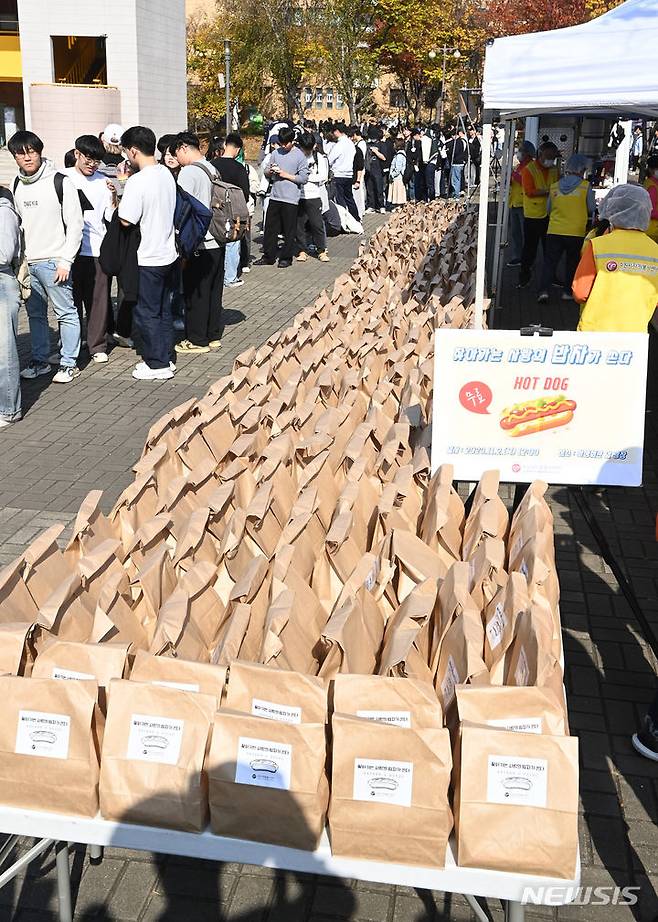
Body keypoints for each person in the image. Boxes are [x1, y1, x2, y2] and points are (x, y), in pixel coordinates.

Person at [9, 130, 83, 384]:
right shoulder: (16, 184)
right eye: (21, 153)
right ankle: (40, 361)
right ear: (15, 157)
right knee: (36, 316)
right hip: (28, 264)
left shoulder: (60, 181)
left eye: (31, 151)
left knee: (66, 313)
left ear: (39, 151)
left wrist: (66, 261)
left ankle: (69, 363)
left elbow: (75, 225)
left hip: (55, 261)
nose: (27, 157)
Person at [119, 125, 177, 380]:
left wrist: (118, 195)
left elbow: (126, 220)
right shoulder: (166, 173)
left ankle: (157, 363)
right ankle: (166, 356)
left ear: (133, 150)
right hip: (169, 253)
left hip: (149, 256)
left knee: (147, 311)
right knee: (163, 308)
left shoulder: (137, 181)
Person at [573, 183, 658, 332]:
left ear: (612, 209)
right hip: (635, 335)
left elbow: (580, 293)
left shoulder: (597, 244)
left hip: (595, 331)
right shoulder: (655, 250)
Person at [171, 130, 224, 355]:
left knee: (196, 292)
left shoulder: (188, 173)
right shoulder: (212, 168)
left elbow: (182, 208)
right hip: (218, 238)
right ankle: (212, 335)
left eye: (176, 153)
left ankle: (196, 339)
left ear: (184, 148)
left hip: (199, 241)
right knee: (213, 291)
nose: (175, 158)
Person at [66, 134, 117, 363]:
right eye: (88, 158)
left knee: (98, 302)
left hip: (96, 250)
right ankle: (71, 345)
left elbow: (109, 216)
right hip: (69, 251)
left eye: (96, 160)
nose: (92, 164)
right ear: (77, 154)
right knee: (70, 302)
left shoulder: (103, 182)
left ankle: (97, 346)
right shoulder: (62, 178)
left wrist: (114, 197)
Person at [537, 153, 594, 304]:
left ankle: (543, 291)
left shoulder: (555, 186)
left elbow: (548, 209)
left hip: (554, 230)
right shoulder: (585, 187)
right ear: (582, 169)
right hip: (575, 231)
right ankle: (567, 292)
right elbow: (591, 208)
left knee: (550, 262)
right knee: (572, 262)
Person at [255, 126, 309, 268]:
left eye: (286, 143)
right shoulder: (276, 153)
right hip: (275, 196)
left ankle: (286, 258)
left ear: (292, 141)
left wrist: (286, 175)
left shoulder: (299, 156)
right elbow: (266, 170)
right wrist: (270, 171)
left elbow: (303, 178)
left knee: (289, 230)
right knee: (270, 229)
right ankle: (268, 256)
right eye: (281, 143)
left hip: (290, 199)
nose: (283, 146)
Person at [209, 132, 250, 290]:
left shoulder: (212, 164)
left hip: (215, 207)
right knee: (232, 241)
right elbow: (244, 192)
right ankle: (230, 277)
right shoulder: (239, 168)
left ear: (225, 145)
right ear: (238, 149)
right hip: (233, 210)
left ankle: (216, 275)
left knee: (215, 240)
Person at [518, 141, 560, 289]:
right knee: (530, 248)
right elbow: (529, 191)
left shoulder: (554, 169)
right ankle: (524, 276)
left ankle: (552, 276)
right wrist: (548, 191)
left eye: (553, 157)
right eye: (548, 157)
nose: (551, 160)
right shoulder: (529, 170)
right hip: (533, 215)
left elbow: (558, 185)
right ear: (540, 155)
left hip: (550, 214)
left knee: (550, 248)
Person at [0, 189, 22, 426]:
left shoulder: (3, 211)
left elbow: (4, 254)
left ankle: (8, 409)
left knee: (4, 351)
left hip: (2, 283)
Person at [296, 133, 329, 262]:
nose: (307, 151)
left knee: (317, 224)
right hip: (298, 196)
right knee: (299, 225)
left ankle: (321, 249)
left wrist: (306, 178)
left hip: (314, 195)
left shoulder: (319, 158)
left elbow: (322, 177)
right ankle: (301, 250)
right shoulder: (297, 157)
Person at [506, 140, 535, 268]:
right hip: (514, 202)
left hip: (524, 204)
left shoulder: (531, 167)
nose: (518, 154)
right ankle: (517, 256)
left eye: (520, 151)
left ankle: (527, 257)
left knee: (526, 233)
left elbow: (526, 182)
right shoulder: (519, 166)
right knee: (515, 233)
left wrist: (514, 175)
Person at [327, 123, 359, 221]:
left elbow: (330, 159)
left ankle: (343, 220)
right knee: (349, 198)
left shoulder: (339, 144)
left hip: (338, 174)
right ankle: (355, 218)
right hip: (349, 174)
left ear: (337, 131)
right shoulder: (351, 144)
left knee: (340, 199)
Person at [365, 128, 386, 214]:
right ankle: (371, 205)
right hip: (369, 169)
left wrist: (376, 152)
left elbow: (384, 158)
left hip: (378, 169)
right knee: (370, 188)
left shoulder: (381, 145)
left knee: (379, 188)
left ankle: (381, 205)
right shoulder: (367, 144)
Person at [348, 125, 367, 218]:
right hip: (358, 168)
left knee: (359, 191)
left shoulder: (361, 144)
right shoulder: (358, 144)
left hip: (360, 169)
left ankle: (361, 209)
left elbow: (361, 160)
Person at [446, 127, 468, 199]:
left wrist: (449, 151)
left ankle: (456, 194)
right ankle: (456, 193)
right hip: (459, 162)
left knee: (455, 179)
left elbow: (455, 152)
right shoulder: (460, 141)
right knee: (456, 178)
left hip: (456, 162)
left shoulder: (457, 142)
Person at [387, 139, 407, 209]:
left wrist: (392, 174)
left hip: (398, 177)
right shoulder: (401, 154)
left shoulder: (399, 155)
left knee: (398, 192)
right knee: (398, 191)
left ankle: (398, 206)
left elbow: (398, 168)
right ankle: (398, 206)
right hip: (398, 177)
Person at [643, 154, 658, 243]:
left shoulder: (652, 183)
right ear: (651, 170)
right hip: (652, 230)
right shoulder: (652, 186)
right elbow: (650, 210)